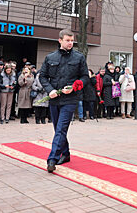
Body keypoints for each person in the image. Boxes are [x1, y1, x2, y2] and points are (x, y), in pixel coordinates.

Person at [38, 29, 89, 173]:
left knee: (61, 128)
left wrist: (74, 87)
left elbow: (85, 77)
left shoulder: (79, 57)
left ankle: (52, 159)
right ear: (60, 40)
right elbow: (42, 77)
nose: (70, 43)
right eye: (67, 40)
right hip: (55, 99)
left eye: (72, 40)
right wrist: (50, 90)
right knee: (58, 129)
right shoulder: (50, 57)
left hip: (70, 99)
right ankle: (65, 154)